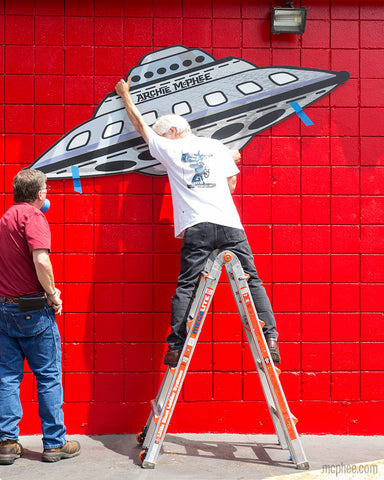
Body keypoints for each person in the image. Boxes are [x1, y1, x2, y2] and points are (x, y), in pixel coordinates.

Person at [115, 77, 280, 367]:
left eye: (163, 135)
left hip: (198, 226)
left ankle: (177, 346)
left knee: (187, 286)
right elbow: (231, 186)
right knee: (252, 281)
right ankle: (270, 338)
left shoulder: (171, 148)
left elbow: (141, 125)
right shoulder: (217, 147)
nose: (160, 140)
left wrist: (125, 95)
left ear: (174, 131)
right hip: (230, 224)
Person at [0, 169, 80, 465]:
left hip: (4, 309)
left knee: (7, 377)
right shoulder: (34, 218)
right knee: (48, 377)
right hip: (33, 309)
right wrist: (53, 294)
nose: (47, 193)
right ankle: (54, 444)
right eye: (46, 189)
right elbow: (41, 259)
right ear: (39, 193)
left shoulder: (5, 218)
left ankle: (6, 443)